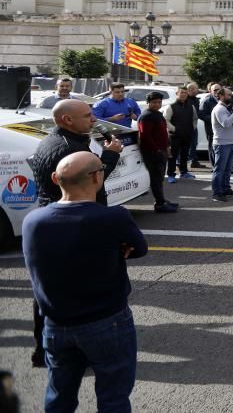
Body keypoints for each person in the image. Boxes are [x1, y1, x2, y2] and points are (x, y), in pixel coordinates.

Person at [23, 151, 148, 412]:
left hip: (56, 325)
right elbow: (139, 247)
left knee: (59, 396)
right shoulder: (113, 218)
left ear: (56, 179)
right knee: (113, 396)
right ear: (97, 178)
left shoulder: (33, 220)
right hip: (106, 322)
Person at [27, 99, 123, 368]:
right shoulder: (67, 149)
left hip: (58, 222)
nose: (93, 120)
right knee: (74, 292)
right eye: (87, 116)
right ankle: (60, 351)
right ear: (66, 120)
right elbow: (90, 184)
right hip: (73, 227)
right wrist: (110, 157)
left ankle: (46, 350)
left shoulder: (62, 141)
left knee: (51, 293)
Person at [137, 91, 180, 213]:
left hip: (161, 151)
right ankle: (160, 204)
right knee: (156, 179)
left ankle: (162, 200)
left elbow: (162, 134)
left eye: (159, 102)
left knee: (160, 178)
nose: (157, 104)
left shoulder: (157, 114)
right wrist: (156, 150)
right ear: (148, 103)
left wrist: (167, 148)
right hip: (153, 153)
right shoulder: (146, 116)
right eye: (154, 102)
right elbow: (145, 136)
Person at [211, 88, 233, 202]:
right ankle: (217, 193)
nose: (231, 96)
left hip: (231, 142)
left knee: (228, 169)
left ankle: (225, 188)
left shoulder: (227, 108)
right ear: (221, 96)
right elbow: (226, 123)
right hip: (222, 143)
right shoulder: (219, 109)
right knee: (220, 169)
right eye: (229, 95)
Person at [164, 85, 198, 183]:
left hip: (187, 134)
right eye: (181, 93)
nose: (183, 94)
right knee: (172, 156)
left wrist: (193, 127)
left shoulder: (191, 107)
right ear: (177, 94)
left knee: (185, 154)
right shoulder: (170, 107)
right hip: (174, 136)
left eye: (185, 93)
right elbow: (165, 120)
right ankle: (171, 174)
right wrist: (174, 129)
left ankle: (184, 172)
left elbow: (195, 119)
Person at [198, 83, 222, 167]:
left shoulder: (225, 99)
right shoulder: (206, 101)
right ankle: (215, 166)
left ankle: (223, 166)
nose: (217, 91)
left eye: (218, 89)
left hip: (224, 129)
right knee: (213, 148)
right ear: (210, 91)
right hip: (211, 129)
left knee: (223, 149)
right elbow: (201, 114)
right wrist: (214, 119)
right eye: (215, 90)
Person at [185, 82, 206, 168]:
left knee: (194, 144)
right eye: (196, 89)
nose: (197, 90)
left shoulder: (195, 99)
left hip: (194, 125)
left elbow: (197, 112)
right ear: (190, 90)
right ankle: (182, 164)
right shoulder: (186, 100)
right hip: (186, 126)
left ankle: (194, 161)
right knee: (186, 145)